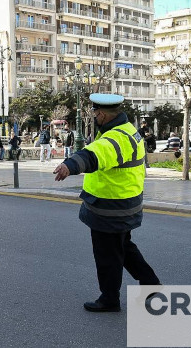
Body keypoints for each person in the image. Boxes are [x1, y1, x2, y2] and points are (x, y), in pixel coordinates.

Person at [52, 93, 160, 313]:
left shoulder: (115, 138)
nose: (93, 116)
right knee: (124, 249)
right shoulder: (129, 130)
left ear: (101, 114)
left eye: (94, 113)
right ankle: (151, 285)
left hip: (111, 207)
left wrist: (69, 165)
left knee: (107, 256)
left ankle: (110, 299)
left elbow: (94, 154)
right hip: (125, 202)